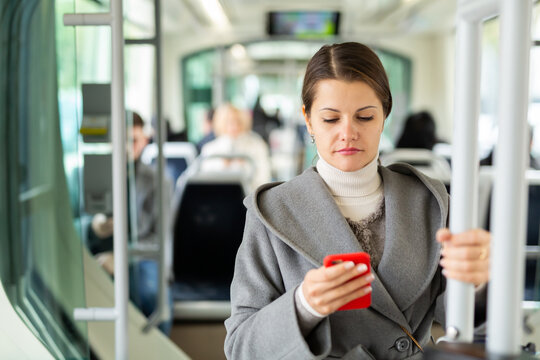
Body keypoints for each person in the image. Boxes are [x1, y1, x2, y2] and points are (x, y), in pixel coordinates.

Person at [224, 42, 490, 359]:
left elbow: (462, 323)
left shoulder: (430, 202)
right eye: (331, 119)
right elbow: (240, 348)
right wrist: (303, 305)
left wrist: (477, 282)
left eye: (364, 117)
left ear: (385, 116)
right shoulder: (271, 212)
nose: (348, 133)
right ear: (308, 120)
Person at [88, 111, 173, 335]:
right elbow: (72, 221)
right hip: (99, 251)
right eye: (120, 140)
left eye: (133, 140)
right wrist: (93, 225)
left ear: (144, 141)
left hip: (142, 254)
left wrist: (121, 256)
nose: (127, 147)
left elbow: (159, 237)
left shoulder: (158, 181)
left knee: (151, 295)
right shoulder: (90, 174)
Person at [201, 103, 272, 190]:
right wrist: (223, 165)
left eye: (238, 122)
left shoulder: (257, 145)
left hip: (250, 197)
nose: (234, 126)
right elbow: (205, 181)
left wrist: (244, 166)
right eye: (228, 122)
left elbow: (264, 178)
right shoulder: (210, 149)